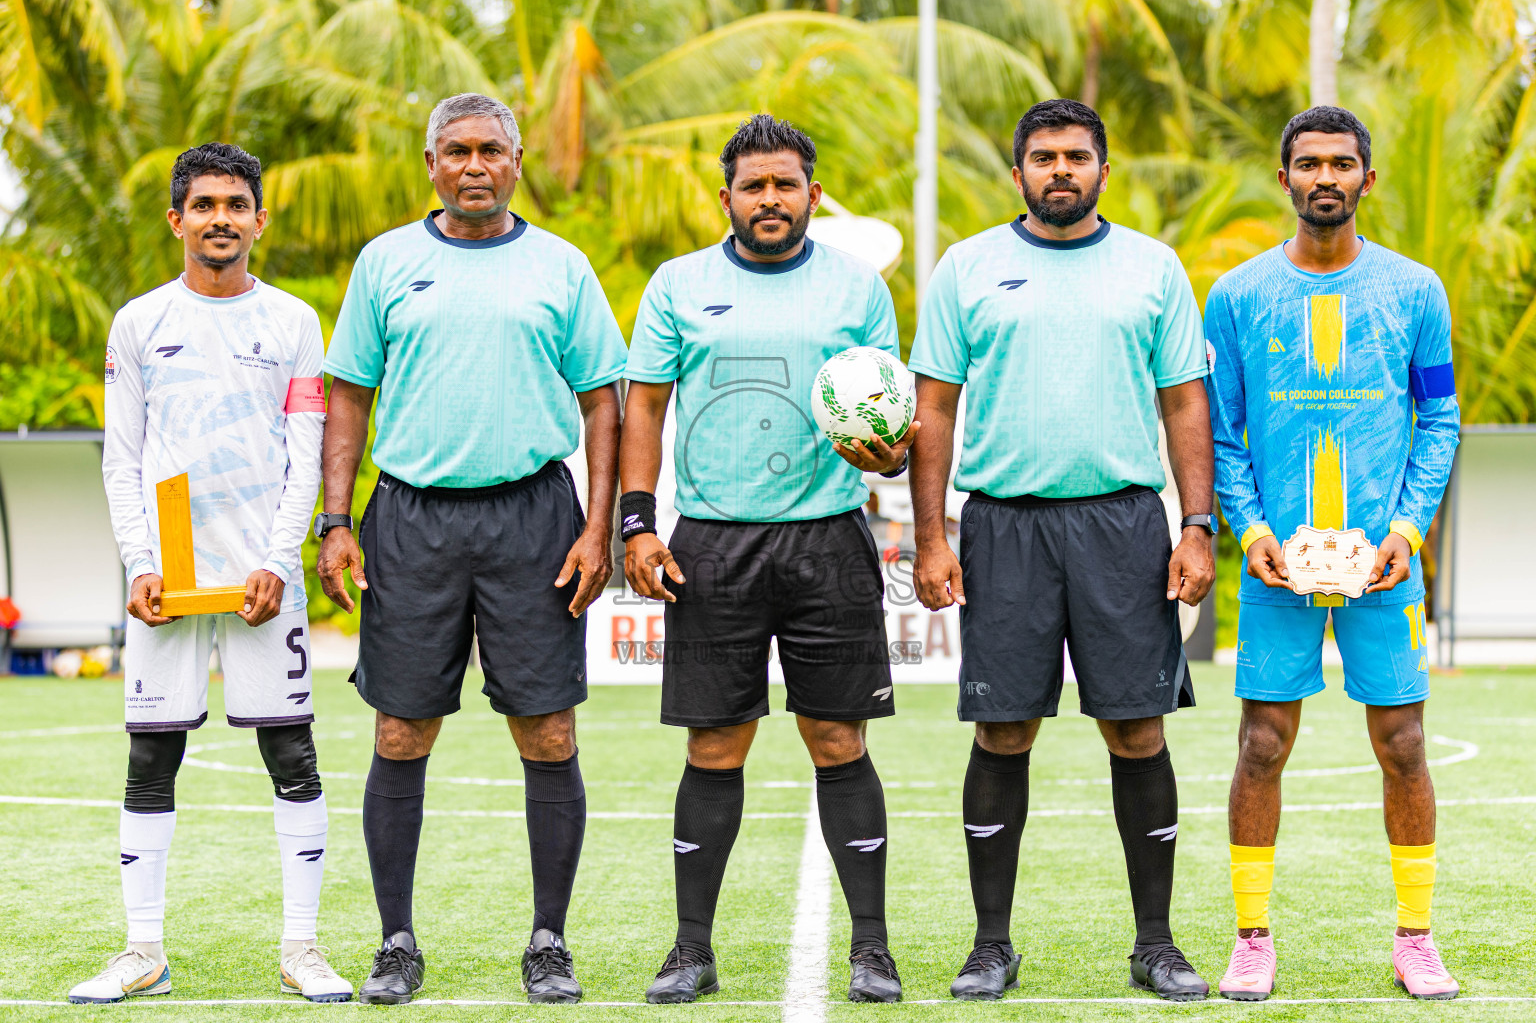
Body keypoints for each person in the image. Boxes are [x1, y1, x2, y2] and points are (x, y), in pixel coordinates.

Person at [317, 93, 626, 1005]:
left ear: (518, 160)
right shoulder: (386, 263)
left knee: (549, 729)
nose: (475, 165)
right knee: (401, 729)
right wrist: (336, 521)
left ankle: (548, 941)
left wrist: (597, 527)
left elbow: (602, 400)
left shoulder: (561, 268)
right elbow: (347, 397)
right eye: (457, 151)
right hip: (411, 518)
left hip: (534, 518)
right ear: (431, 164)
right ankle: (396, 942)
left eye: (492, 149)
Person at [908, 98, 1216, 1002]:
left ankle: (1155, 943)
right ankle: (991, 945)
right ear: (1018, 173)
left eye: (1077, 156)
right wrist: (931, 536)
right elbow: (934, 407)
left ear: (1103, 171)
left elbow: (1185, 404)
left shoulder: (1152, 268)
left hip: (1125, 522)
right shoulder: (967, 267)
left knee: (1136, 727)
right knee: (1004, 729)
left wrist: (1196, 525)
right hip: (1005, 523)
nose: (1060, 171)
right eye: (1043, 157)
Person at [620, 114, 914, 1005]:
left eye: (786, 184)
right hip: (712, 539)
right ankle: (690, 949)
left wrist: (889, 457)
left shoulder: (858, 288)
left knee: (837, 739)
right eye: (754, 186)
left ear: (813, 195)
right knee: (716, 745)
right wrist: (638, 523)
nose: (771, 199)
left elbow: (887, 408)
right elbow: (644, 408)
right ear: (727, 198)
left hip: (829, 535)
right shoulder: (678, 285)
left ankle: (872, 949)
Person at [80, 143, 350, 1004]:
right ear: (177, 220)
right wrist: (140, 563)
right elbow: (122, 459)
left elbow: (304, 455)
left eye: (236, 204)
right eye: (204, 205)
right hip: (168, 582)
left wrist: (279, 559)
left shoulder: (296, 321)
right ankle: (142, 950)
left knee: (290, 753)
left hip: (262, 579)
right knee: (151, 757)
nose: (220, 219)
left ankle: (302, 948)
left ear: (260, 220)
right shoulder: (138, 322)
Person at [1205, 106, 1461, 1002]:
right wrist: (1254, 530)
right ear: (1284, 180)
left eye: (1341, 164)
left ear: (1366, 179)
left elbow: (1442, 417)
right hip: (1277, 562)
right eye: (1308, 163)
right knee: (1262, 744)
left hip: (1384, 562)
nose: (1325, 177)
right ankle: (1251, 937)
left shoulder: (1415, 291)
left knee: (1405, 742)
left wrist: (1407, 530)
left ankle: (1417, 938)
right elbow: (1224, 432)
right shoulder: (1237, 295)